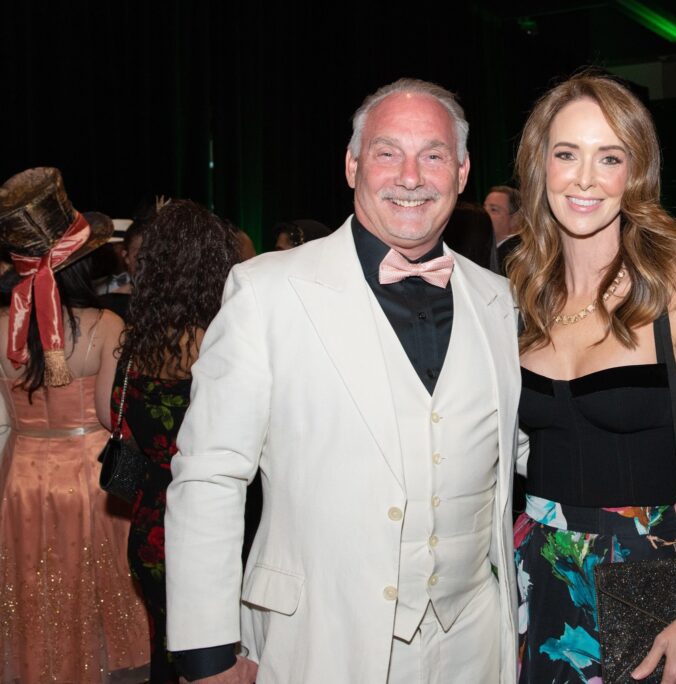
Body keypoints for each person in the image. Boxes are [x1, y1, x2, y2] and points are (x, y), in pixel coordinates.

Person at [164, 78, 521, 683]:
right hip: (318, 642)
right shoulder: (266, 291)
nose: (411, 176)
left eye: (433, 155)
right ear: (352, 164)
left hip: (474, 643)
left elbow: (507, 444)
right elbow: (209, 475)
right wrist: (207, 655)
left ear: (460, 174)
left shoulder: (497, 298)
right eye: (387, 152)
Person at [507, 73, 676, 683]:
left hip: (651, 581)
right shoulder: (523, 294)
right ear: (539, 165)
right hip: (537, 572)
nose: (584, 178)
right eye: (566, 154)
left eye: (609, 157)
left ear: (636, 173)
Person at [0, 167, 149, 682]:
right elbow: (111, 415)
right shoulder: (107, 326)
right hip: (89, 480)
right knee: (91, 586)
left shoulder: (3, 328)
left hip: (20, 475)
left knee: (33, 585)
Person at [111, 199, 239, 682]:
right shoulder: (220, 341)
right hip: (209, 518)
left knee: (166, 647)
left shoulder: (136, 343)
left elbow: (116, 421)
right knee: (217, 656)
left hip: (149, 521)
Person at [484, 185, 521, 276]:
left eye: (493, 209)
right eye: (484, 207)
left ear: (515, 219)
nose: (484, 213)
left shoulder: (517, 256)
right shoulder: (488, 250)